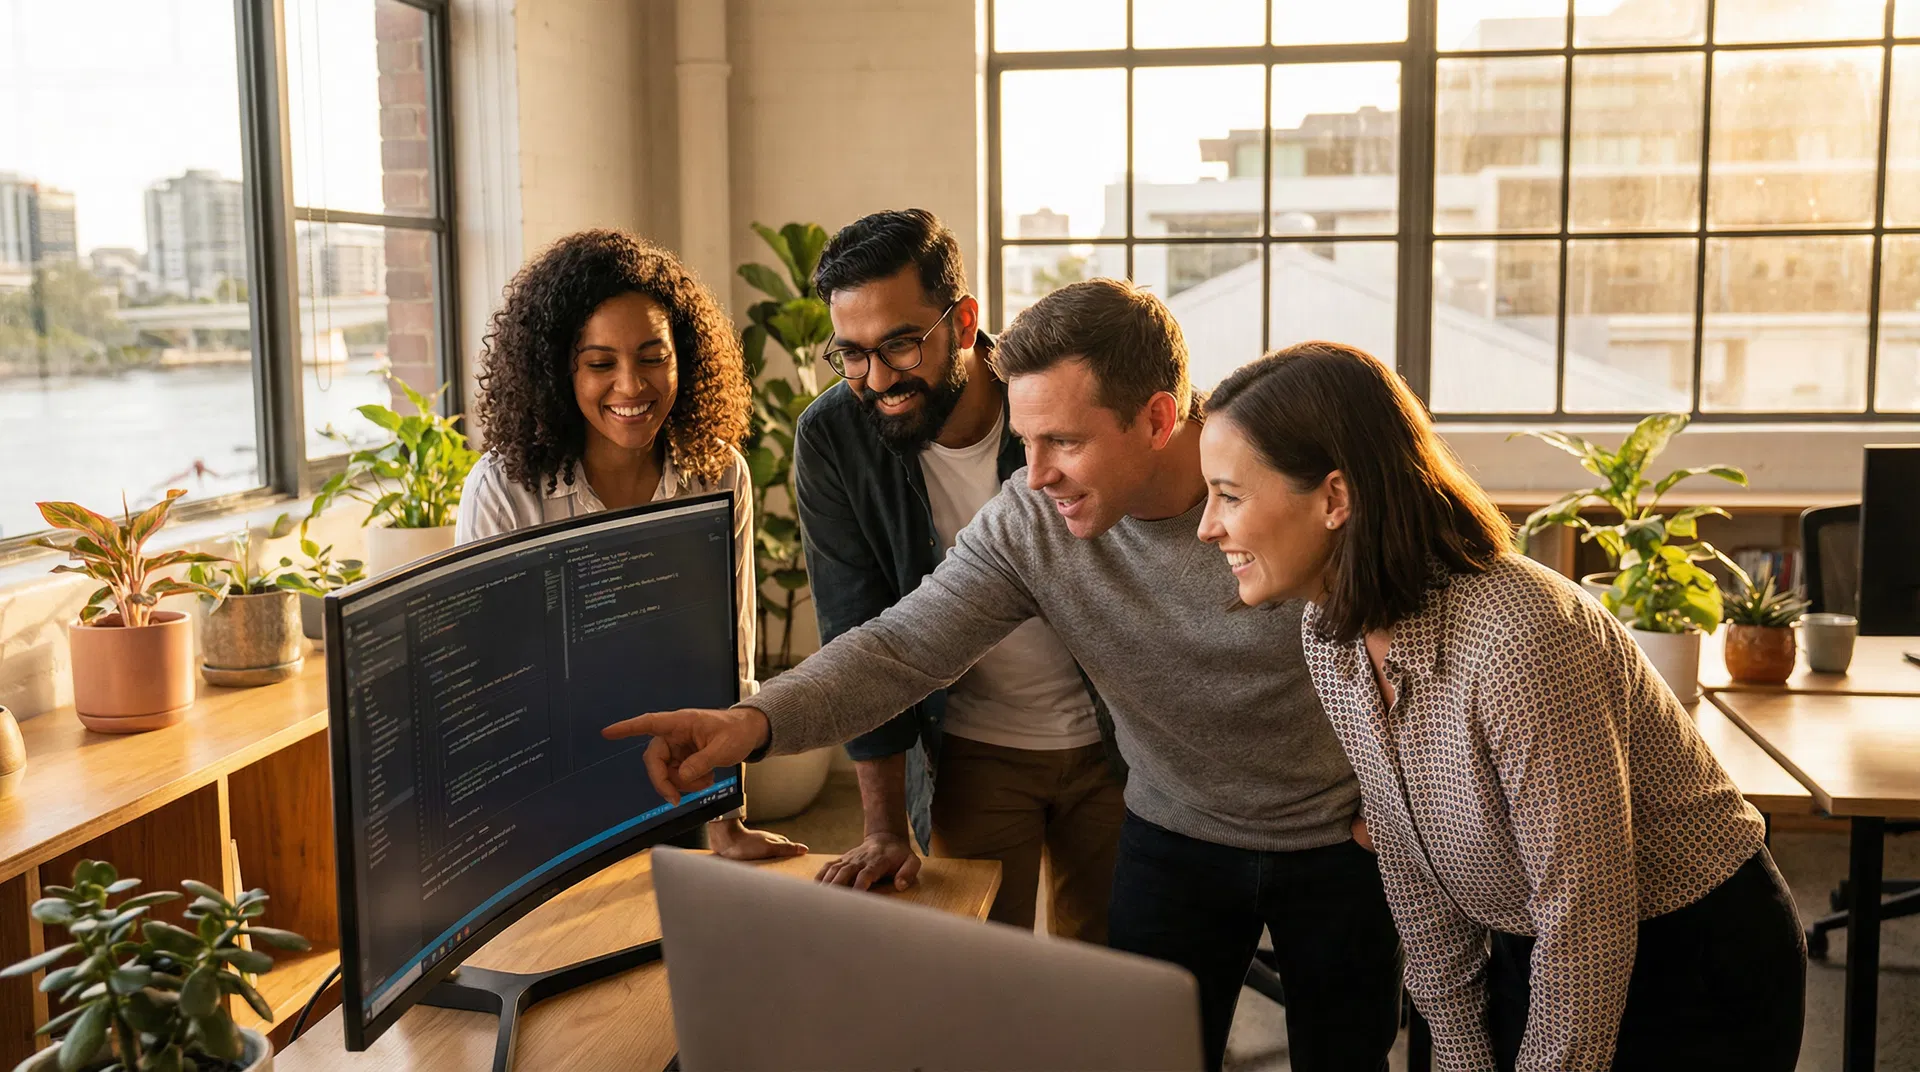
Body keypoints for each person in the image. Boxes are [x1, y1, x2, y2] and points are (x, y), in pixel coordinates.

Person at [605, 280, 1404, 1072]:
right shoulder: (1034, 518)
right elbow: (900, 646)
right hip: (1175, 837)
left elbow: (1423, 647)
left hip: (1346, 844)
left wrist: (1403, 801)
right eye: (1026, 443)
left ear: (1159, 419)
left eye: (1064, 441)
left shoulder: (1292, 487)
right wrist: (750, 721)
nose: (1036, 474)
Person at [1195, 341, 1806, 1072]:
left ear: (1335, 498)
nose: (1207, 526)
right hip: (1534, 941)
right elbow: (1408, 858)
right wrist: (1457, 1049)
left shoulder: (1520, 637)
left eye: (1228, 495)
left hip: (1693, 955)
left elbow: (1588, 914)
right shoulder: (1330, 633)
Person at [795, 209, 1126, 943]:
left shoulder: (1052, 397)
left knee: (1104, 983)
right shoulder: (834, 436)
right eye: (851, 353)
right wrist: (882, 830)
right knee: (980, 981)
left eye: (901, 345)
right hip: (973, 748)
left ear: (965, 320)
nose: (877, 379)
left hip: (1117, 741)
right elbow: (860, 628)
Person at [458, 228, 805, 862]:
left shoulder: (718, 472)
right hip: (546, 799)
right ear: (559, 369)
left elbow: (730, 657)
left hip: (676, 778)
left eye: (653, 356)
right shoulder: (505, 490)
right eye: (599, 364)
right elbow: (493, 697)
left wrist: (726, 822)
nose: (631, 386)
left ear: (684, 357)